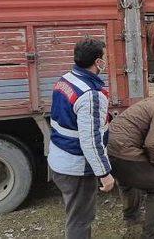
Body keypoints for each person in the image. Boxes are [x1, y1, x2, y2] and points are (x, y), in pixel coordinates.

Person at [48, 38, 115, 239]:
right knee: (80, 219)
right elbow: (90, 140)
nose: (106, 60)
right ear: (98, 62)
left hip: (59, 157)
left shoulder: (66, 79)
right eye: (105, 57)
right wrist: (105, 173)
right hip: (76, 167)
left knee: (75, 214)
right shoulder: (90, 94)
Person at [107, 81, 154, 239]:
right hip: (125, 152)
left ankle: (131, 217)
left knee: (128, 179)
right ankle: (151, 235)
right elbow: (152, 143)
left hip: (109, 151)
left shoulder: (150, 101)